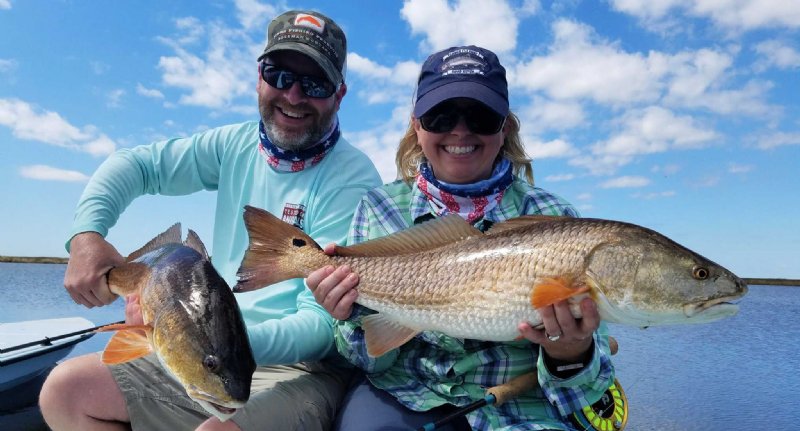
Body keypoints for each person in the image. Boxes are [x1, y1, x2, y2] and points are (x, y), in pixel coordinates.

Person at [39, 9, 381, 431]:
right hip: (212, 350)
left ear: (340, 94)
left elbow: (321, 325)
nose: (293, 95)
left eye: (314, 84)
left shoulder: (352, 178)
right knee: (66, 392)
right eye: (278, 75)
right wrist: (87, 235)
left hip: (304, 369)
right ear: (259, 77)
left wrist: (200, 343)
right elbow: (135, 166)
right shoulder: (232, 145)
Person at [307, 45, 615, 430]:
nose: (460, 130)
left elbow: (584, 389)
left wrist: (570, 351)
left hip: (522, 406)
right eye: (441, 115)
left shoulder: (558, 220)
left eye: (481, 116)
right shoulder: (379, 208)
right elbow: (368, 358)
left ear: (505, 128)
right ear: (417, 126)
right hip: (405, 392)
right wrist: (349, 313)